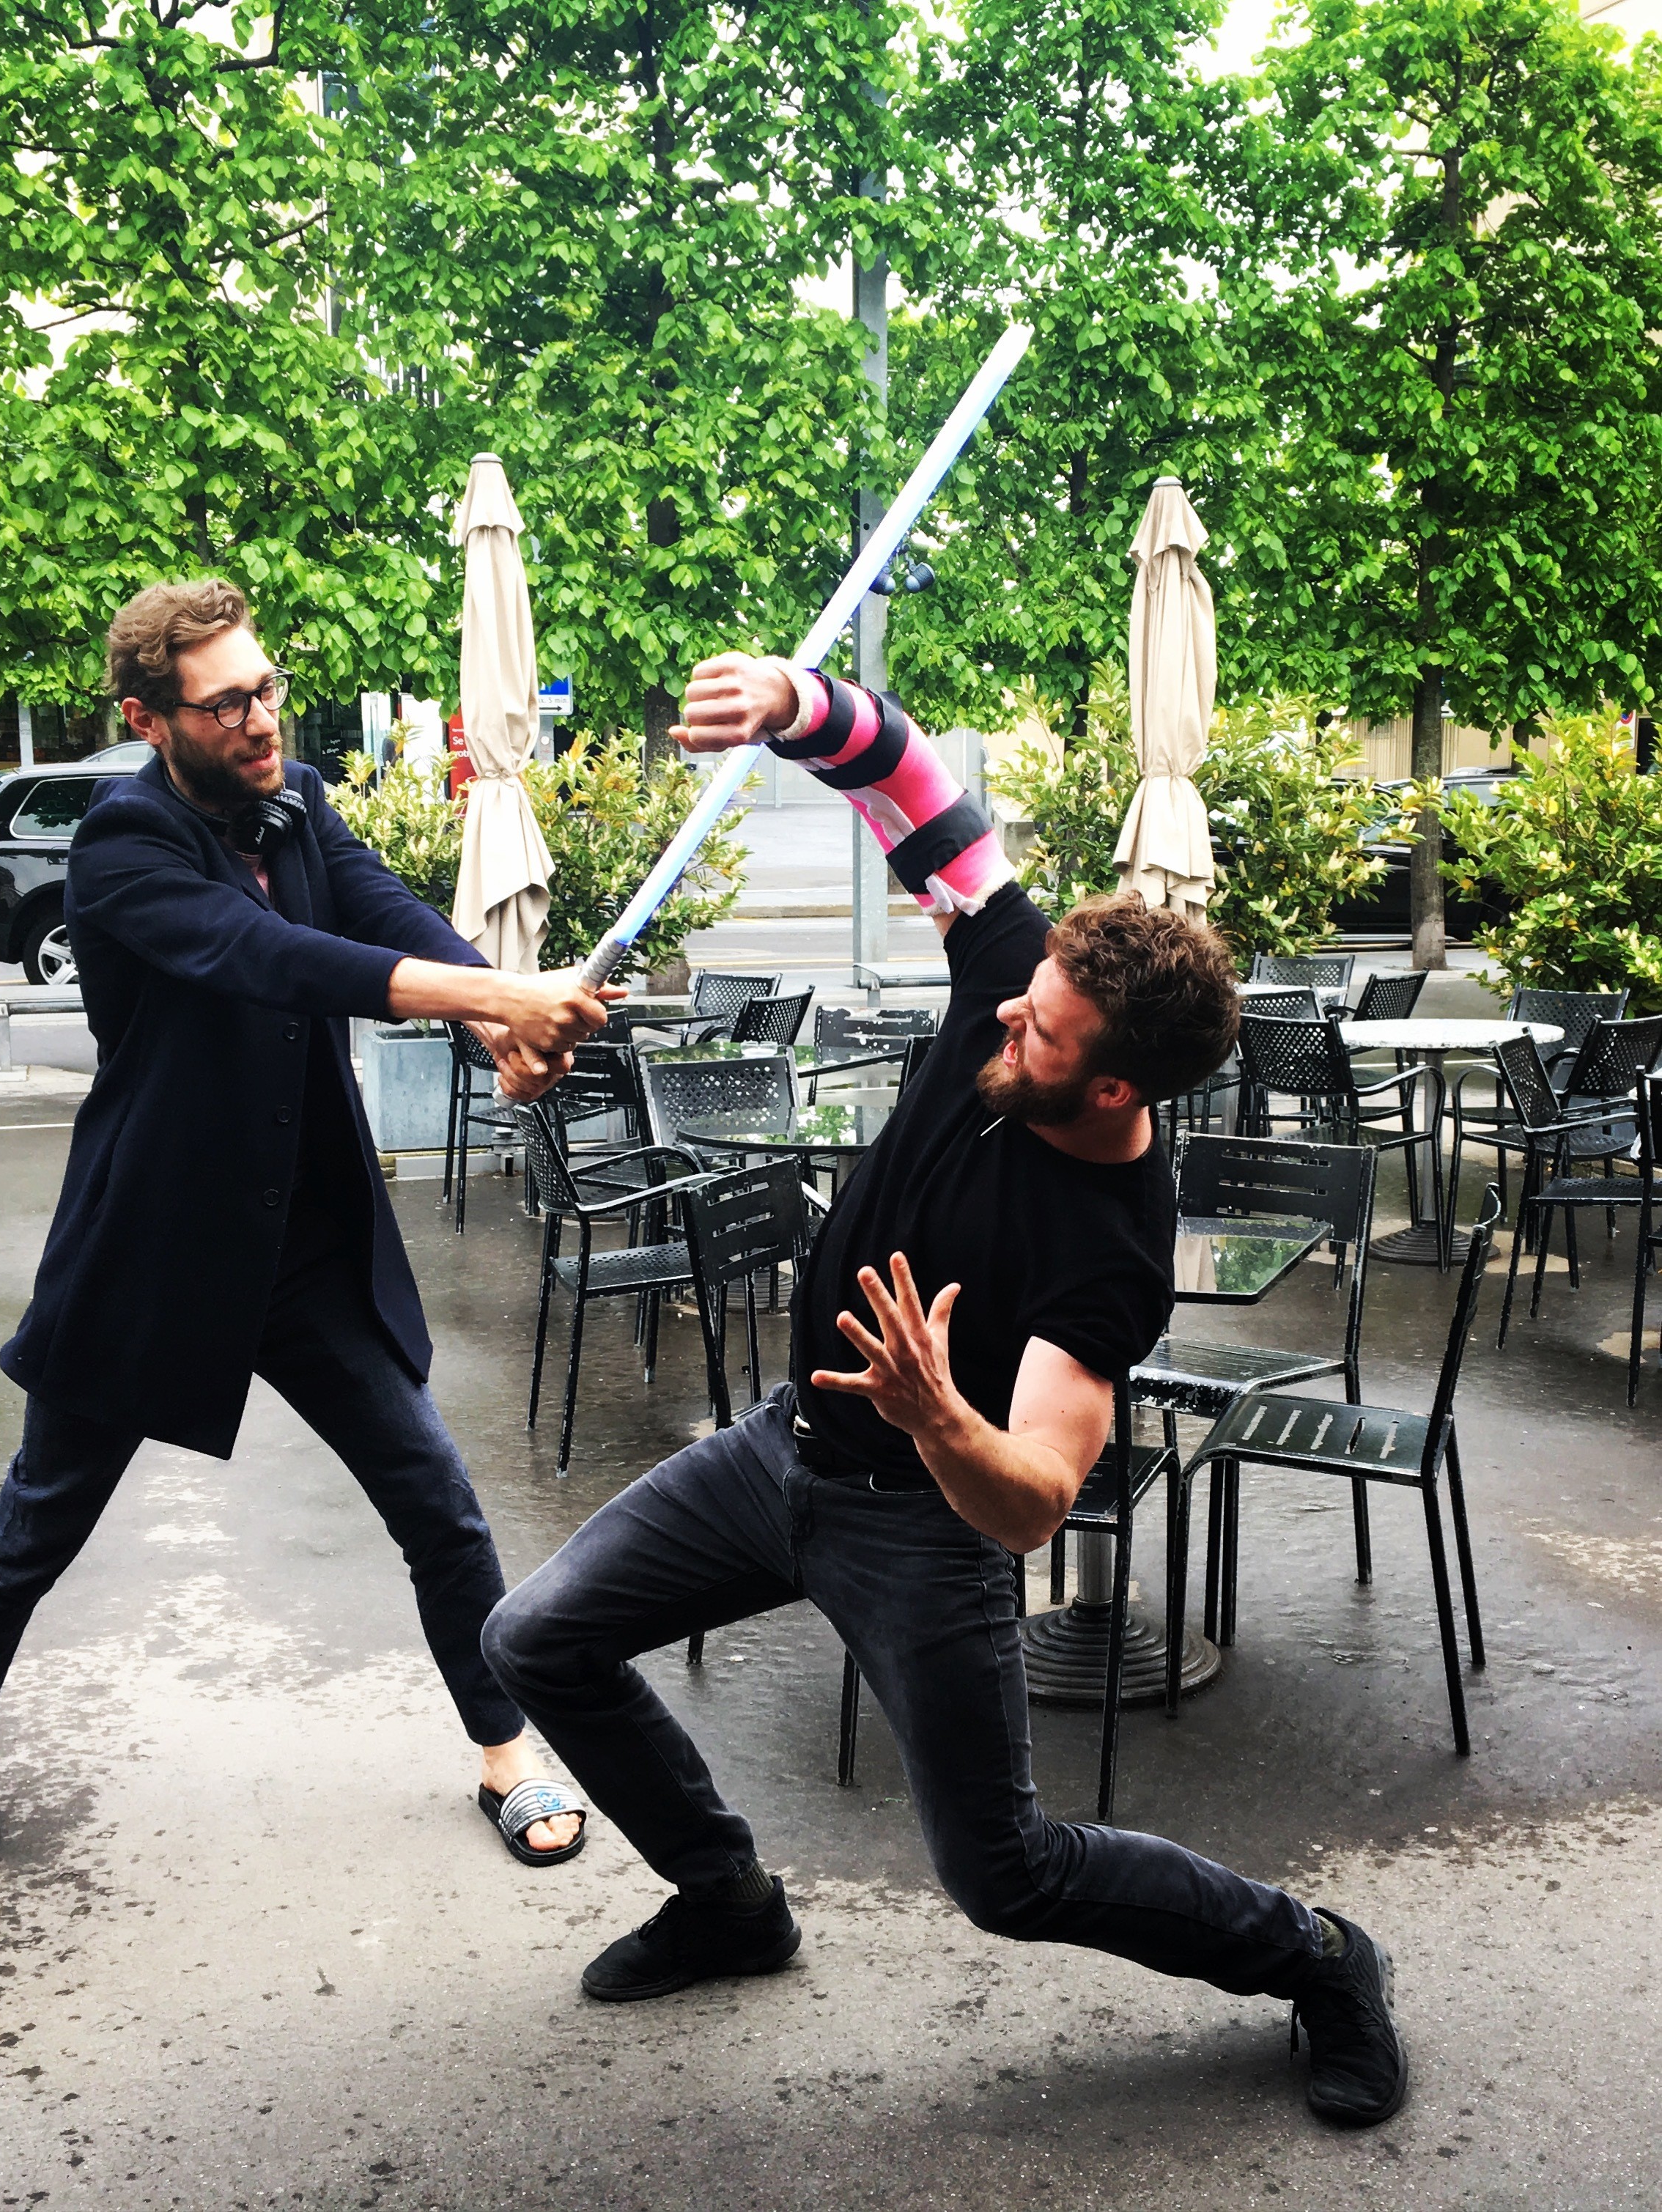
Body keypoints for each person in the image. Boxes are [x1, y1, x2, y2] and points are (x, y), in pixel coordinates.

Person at [480, 650, 1410, 2129]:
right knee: (535, 1638)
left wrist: (941, 1418)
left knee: (1007, 1878)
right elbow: (914, 787)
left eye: (1041, 1036)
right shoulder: (1014, 979)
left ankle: (1315, 1957)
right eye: (1021, 1000)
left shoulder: (1106, 1249)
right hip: (784, 1457)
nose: (1004, 1031)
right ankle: (727, 1897)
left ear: (1117, 1089)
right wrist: (802, 712)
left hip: (922, 1524)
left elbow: (1038, 1495)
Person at [0, 578, 613, 1874]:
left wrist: (490, 1020)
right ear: (149, 716)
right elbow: (275, 956)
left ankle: (503, 1746)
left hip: (307, 1246)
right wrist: (508, 989)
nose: (259, 719)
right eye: (225, 704)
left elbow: (377, 913)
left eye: (265, 688)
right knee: (40, 1519)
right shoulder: (121, 843)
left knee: (438, 1507)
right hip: (154, 1250)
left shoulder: (298, 804)